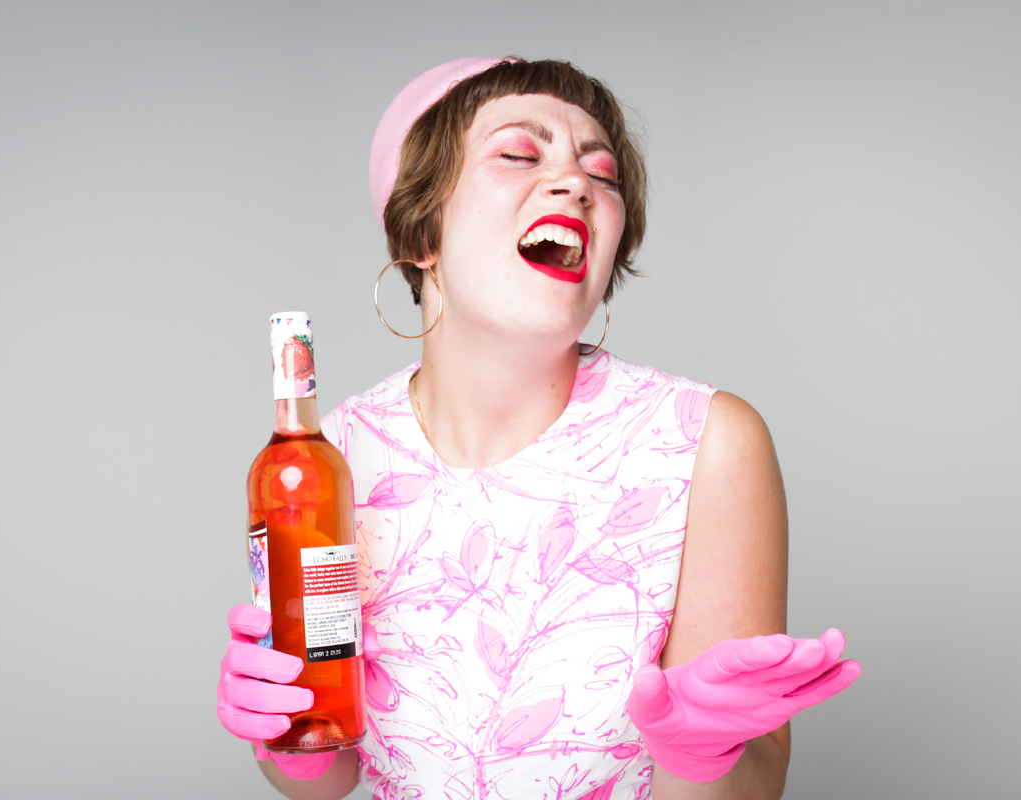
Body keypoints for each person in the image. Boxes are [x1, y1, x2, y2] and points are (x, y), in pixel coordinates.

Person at [217, 57, 860, 800]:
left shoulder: (708, 443)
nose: (576, 183)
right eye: (521, 154)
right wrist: (287, 741)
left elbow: (754, 783)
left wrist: (702, 752)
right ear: (421, 230)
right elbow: (328, 776)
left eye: (602, 173)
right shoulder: (330, 458)